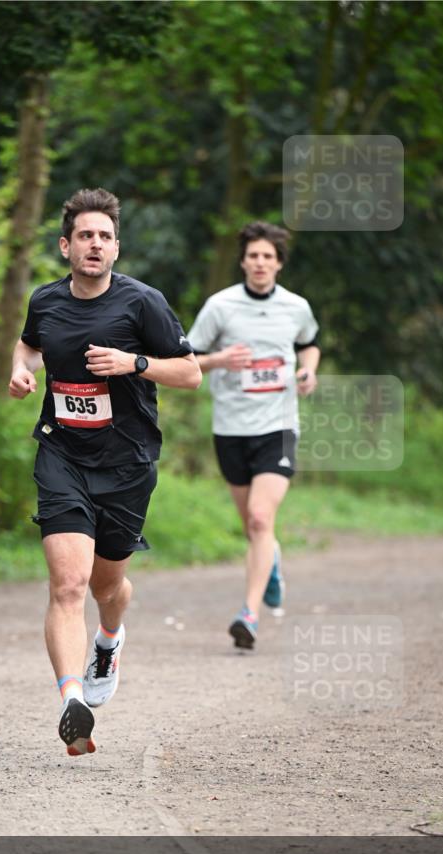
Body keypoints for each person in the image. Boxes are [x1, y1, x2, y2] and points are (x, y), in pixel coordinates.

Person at [9, 188, 201, 756]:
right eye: (85, 235)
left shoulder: (143, 304)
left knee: (106, 585)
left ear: (117, 249)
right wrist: (22, 373)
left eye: (106, 237)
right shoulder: (45, 302)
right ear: (66, 245)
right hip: (62, 453)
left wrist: (134, 364)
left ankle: (109, 640)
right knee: (67, 584)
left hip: (127, 463)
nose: (95, 244)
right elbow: (27, 348)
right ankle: (72, 699)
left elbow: (190, 374)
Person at [187, 221, 320, 650]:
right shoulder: (220, 307)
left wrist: (308, 370)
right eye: (253, 255)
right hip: (230, 428)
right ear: (243, 261)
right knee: (253, 526)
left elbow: (310, 342)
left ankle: (249, 614)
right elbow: (186, 359)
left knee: (262, 517)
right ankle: (272, 563)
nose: (260, 263)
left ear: (279, 264)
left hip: (278, 426)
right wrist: (221, 359)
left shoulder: (295, 307)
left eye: (268, 256)